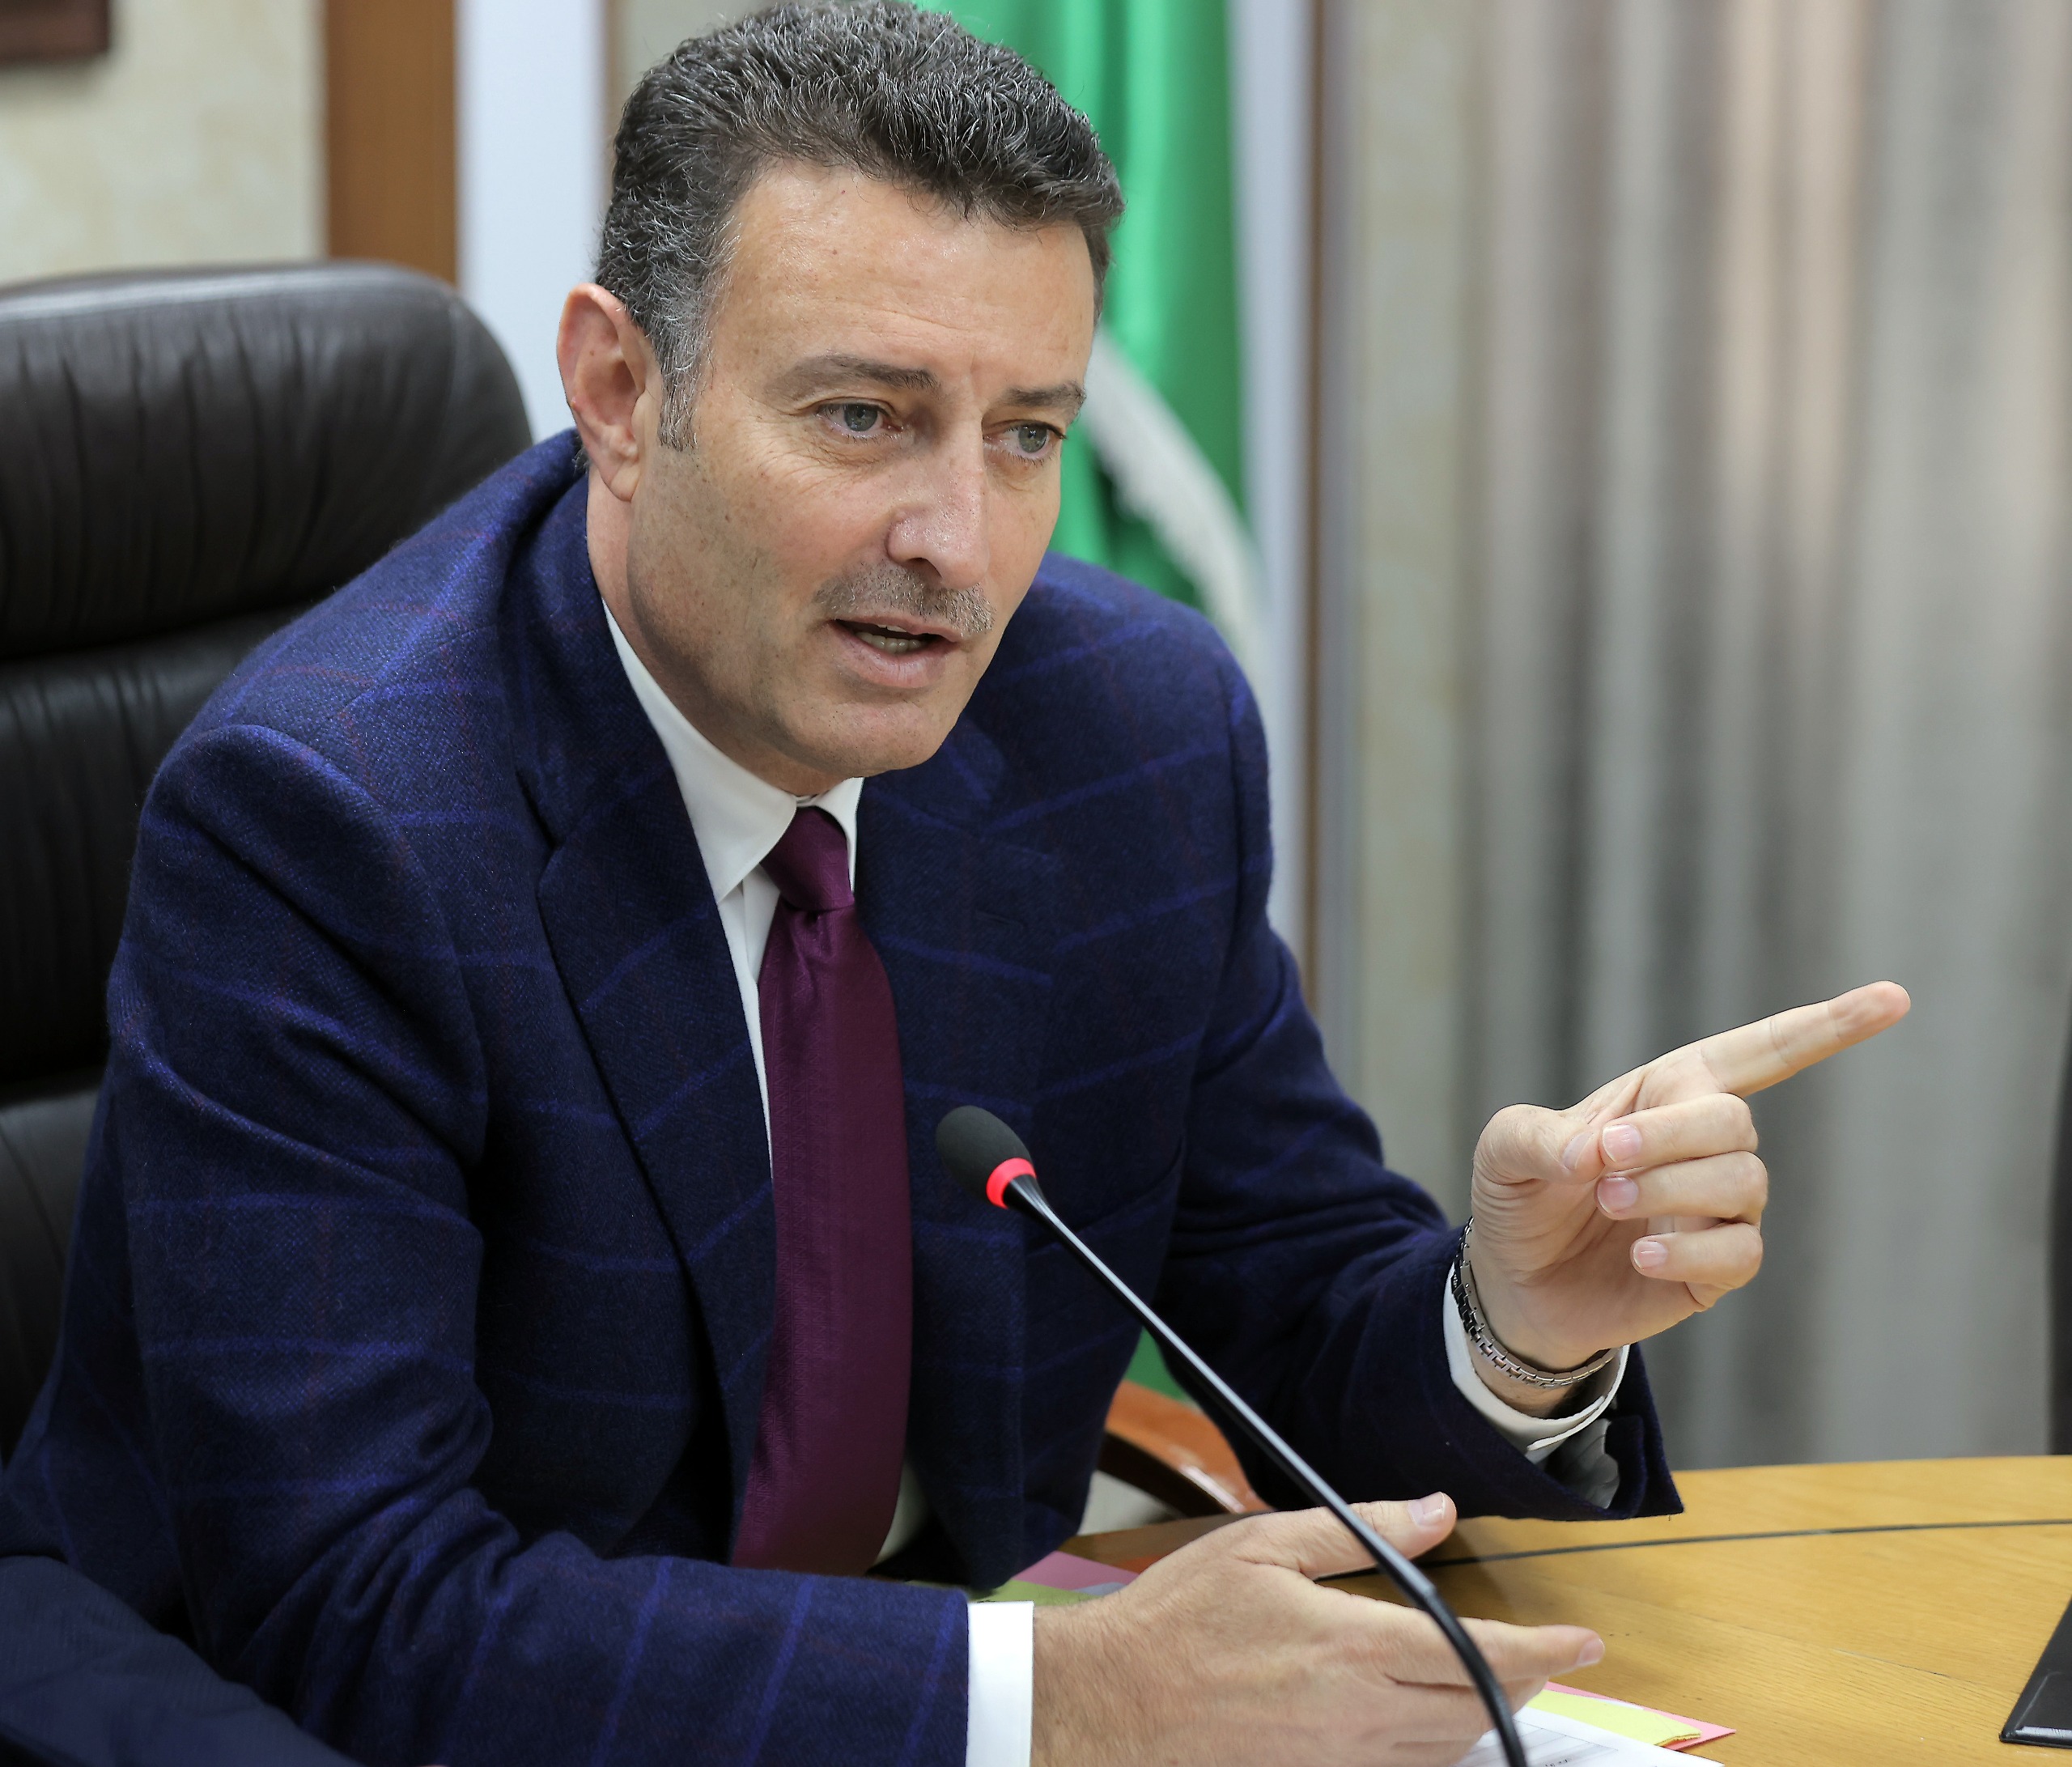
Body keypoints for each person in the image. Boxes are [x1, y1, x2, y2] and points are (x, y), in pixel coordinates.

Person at [0, 6, 1908, 1765]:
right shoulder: (332, 822)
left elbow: (1283, 1304)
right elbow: (363, 1609)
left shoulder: (1125, 734)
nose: (957, 544)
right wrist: (1058, 1697)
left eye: (1025, 438)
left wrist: (1509, 1326)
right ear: (619, 388)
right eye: (863, 416)